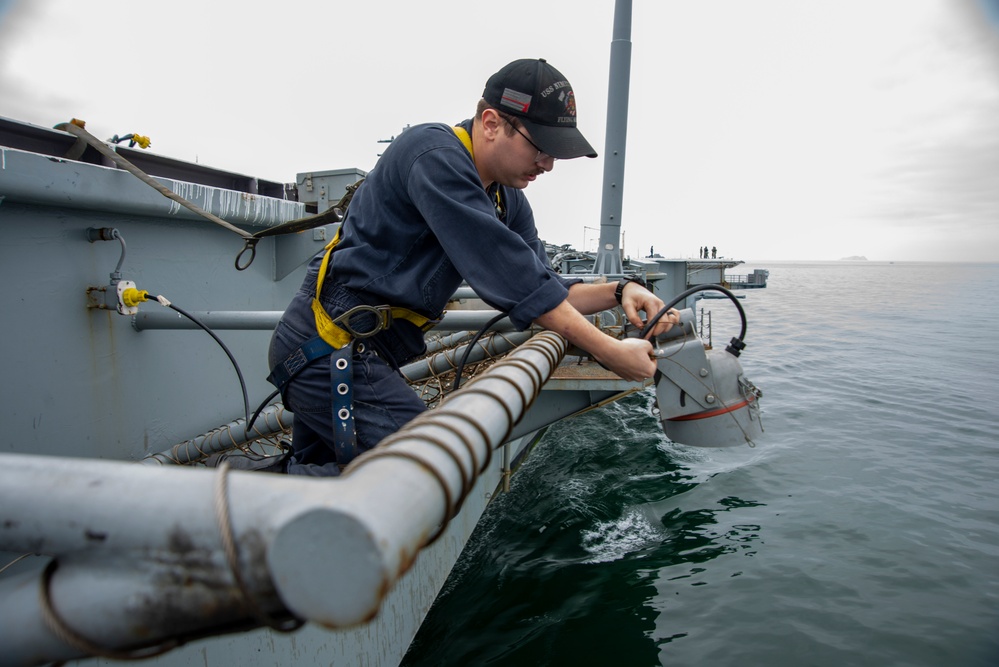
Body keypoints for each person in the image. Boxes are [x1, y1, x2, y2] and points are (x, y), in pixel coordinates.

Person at [266, 58, 679, 476]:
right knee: (430, 469)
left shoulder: (507, 199)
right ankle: (219, 519)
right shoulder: (432, 154)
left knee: (322, 480)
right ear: (491, 122)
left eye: (554, 153)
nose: (548, 164)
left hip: (360, 351)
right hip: (327, 345)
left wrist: (621, 289)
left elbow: (548, 287)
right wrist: (610, 352)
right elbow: (518, 283)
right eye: (539, 146)